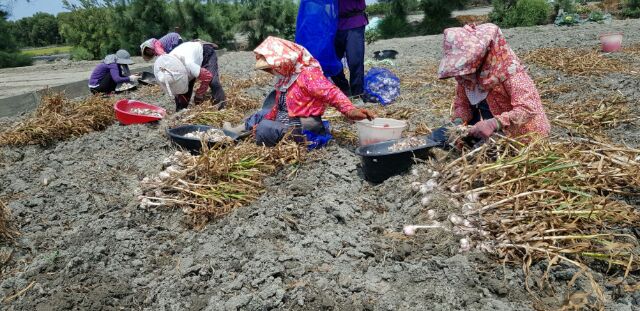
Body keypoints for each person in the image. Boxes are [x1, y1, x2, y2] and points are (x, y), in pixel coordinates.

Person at [224, 37, 376, 147]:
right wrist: (266, 118)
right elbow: (278, 107)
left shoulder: (308, 76)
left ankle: (253, 134)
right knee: (262, 113)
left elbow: (332, 93)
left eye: (271, 68)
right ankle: (236, 132)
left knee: (264, 129)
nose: (270, 72)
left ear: (284, 61)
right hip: (284, 121)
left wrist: (351, 111)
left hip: (301, 128)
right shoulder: (285, 78)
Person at [436, 23, 550, 142]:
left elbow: (528, 109)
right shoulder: (466, 78)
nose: (464, 72)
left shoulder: (512, 74)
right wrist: (458, 122)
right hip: (494, 130)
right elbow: (463, 105)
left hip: (524, 136)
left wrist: (494, 123)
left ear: (484, 56)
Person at [154, 41, 226, 111]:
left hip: (205, 53)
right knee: (183, 90)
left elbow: (207, 76)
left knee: (213, 82)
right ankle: (180, 110)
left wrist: (199, 94)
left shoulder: (189, 65)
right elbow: (175, 87)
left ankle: (221, 108)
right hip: (189, 58)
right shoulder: (167, 66)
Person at [331, 0, 368, 98]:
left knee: (355, 61)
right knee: (332, 61)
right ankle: (344, 89)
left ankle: (358, 94)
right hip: (334, 24)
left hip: (355, 22)